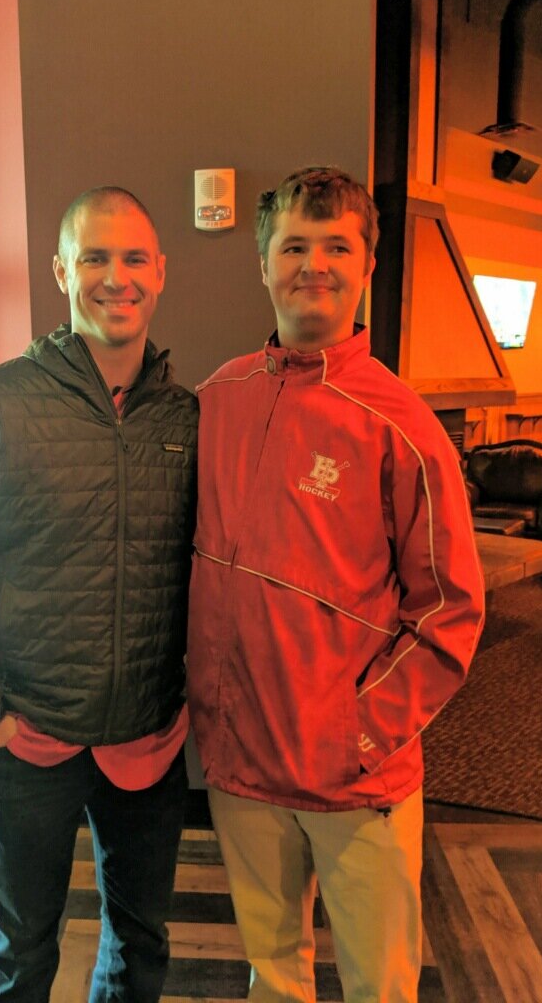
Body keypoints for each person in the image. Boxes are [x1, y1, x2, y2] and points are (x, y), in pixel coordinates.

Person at [186, 166, 485, 1003]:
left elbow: (452, 610)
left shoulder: (406, 427)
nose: (313, 264)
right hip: (243, 766)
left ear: (366, 266)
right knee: (273, 975)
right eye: (294, 245)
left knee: (378, 985)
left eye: (336, 246)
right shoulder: (218, 400)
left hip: (356, 779)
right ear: (264, 264)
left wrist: (358, 733)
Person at [0, 186, 198, 1003]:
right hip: (26, 738)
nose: (117, 277)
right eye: (96, 257)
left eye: (134, 257)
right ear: (62, 270)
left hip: (148, 738)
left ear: (161, 271)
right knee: (22, 950)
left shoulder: (188, 418)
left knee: (140, 942)